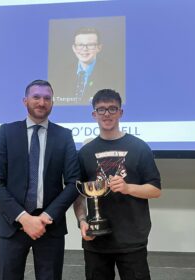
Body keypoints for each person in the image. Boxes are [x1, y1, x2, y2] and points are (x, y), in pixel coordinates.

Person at [0, 79, 80, 280]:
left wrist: (47, 216)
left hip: (49, 225)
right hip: (12, 223)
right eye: (36, 97)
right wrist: (23, 217)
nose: (41, 102)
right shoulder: (6, 132)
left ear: (52, 103)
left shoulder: (64, 136)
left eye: (47, 98)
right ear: (25, 101)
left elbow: (73, 183)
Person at [73, 89, 161, 280]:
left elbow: (155, 190)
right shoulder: (85, 153)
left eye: (112, 109)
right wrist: (81, 221)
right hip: (96, 241)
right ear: (93, 114)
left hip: (132, 241)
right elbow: (79, 194)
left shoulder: (139, 147)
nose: (107, 114)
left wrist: (128, 188)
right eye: (101, 109)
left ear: (121, 113)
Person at [51, 27, 124, 106]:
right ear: (74, 48)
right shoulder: (62, 74)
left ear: (99, 47)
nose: (85, 49)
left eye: (90, 45)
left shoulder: (113, 74)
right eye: (80, 45)